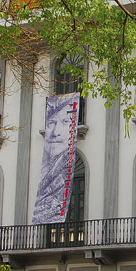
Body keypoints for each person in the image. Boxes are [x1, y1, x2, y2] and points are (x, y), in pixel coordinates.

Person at [32, 93, 79, 224]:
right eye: (52, 122)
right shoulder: (49, 168)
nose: (56, 132)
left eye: (65, 121)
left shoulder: (60, 164)